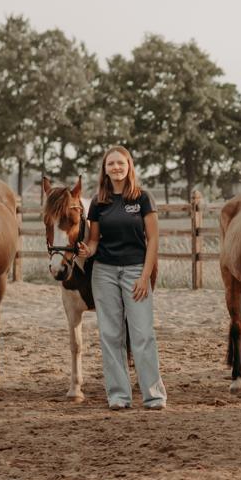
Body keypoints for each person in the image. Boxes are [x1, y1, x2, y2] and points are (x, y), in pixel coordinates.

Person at [79, 146, 165, 411]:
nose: (116, 167)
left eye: (120, 163)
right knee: (111, 335)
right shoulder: (98, 202)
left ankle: (154, 396)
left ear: (129, 166)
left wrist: (145, 276)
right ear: (104, 170)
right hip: (104, 273)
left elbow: (153, 240)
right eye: (111, 164)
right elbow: (95, 240)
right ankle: (118, 396)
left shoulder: (143, 198)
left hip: (136, 271)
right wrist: (87, 251)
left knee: (142, 335)